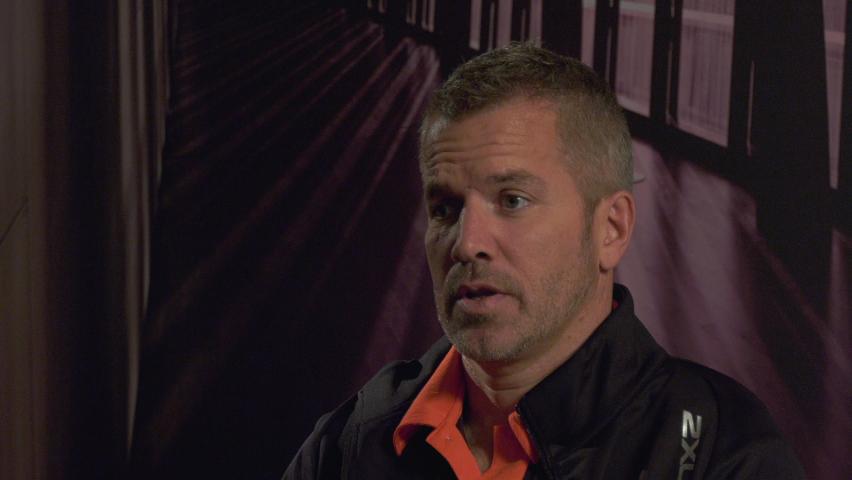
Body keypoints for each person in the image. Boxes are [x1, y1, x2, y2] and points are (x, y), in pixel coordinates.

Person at [283, 43, 803, 479]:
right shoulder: (349, 444)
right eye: (445, 208)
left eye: (512, 200)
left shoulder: (726, 455)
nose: (466, 243)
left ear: (611, 229)